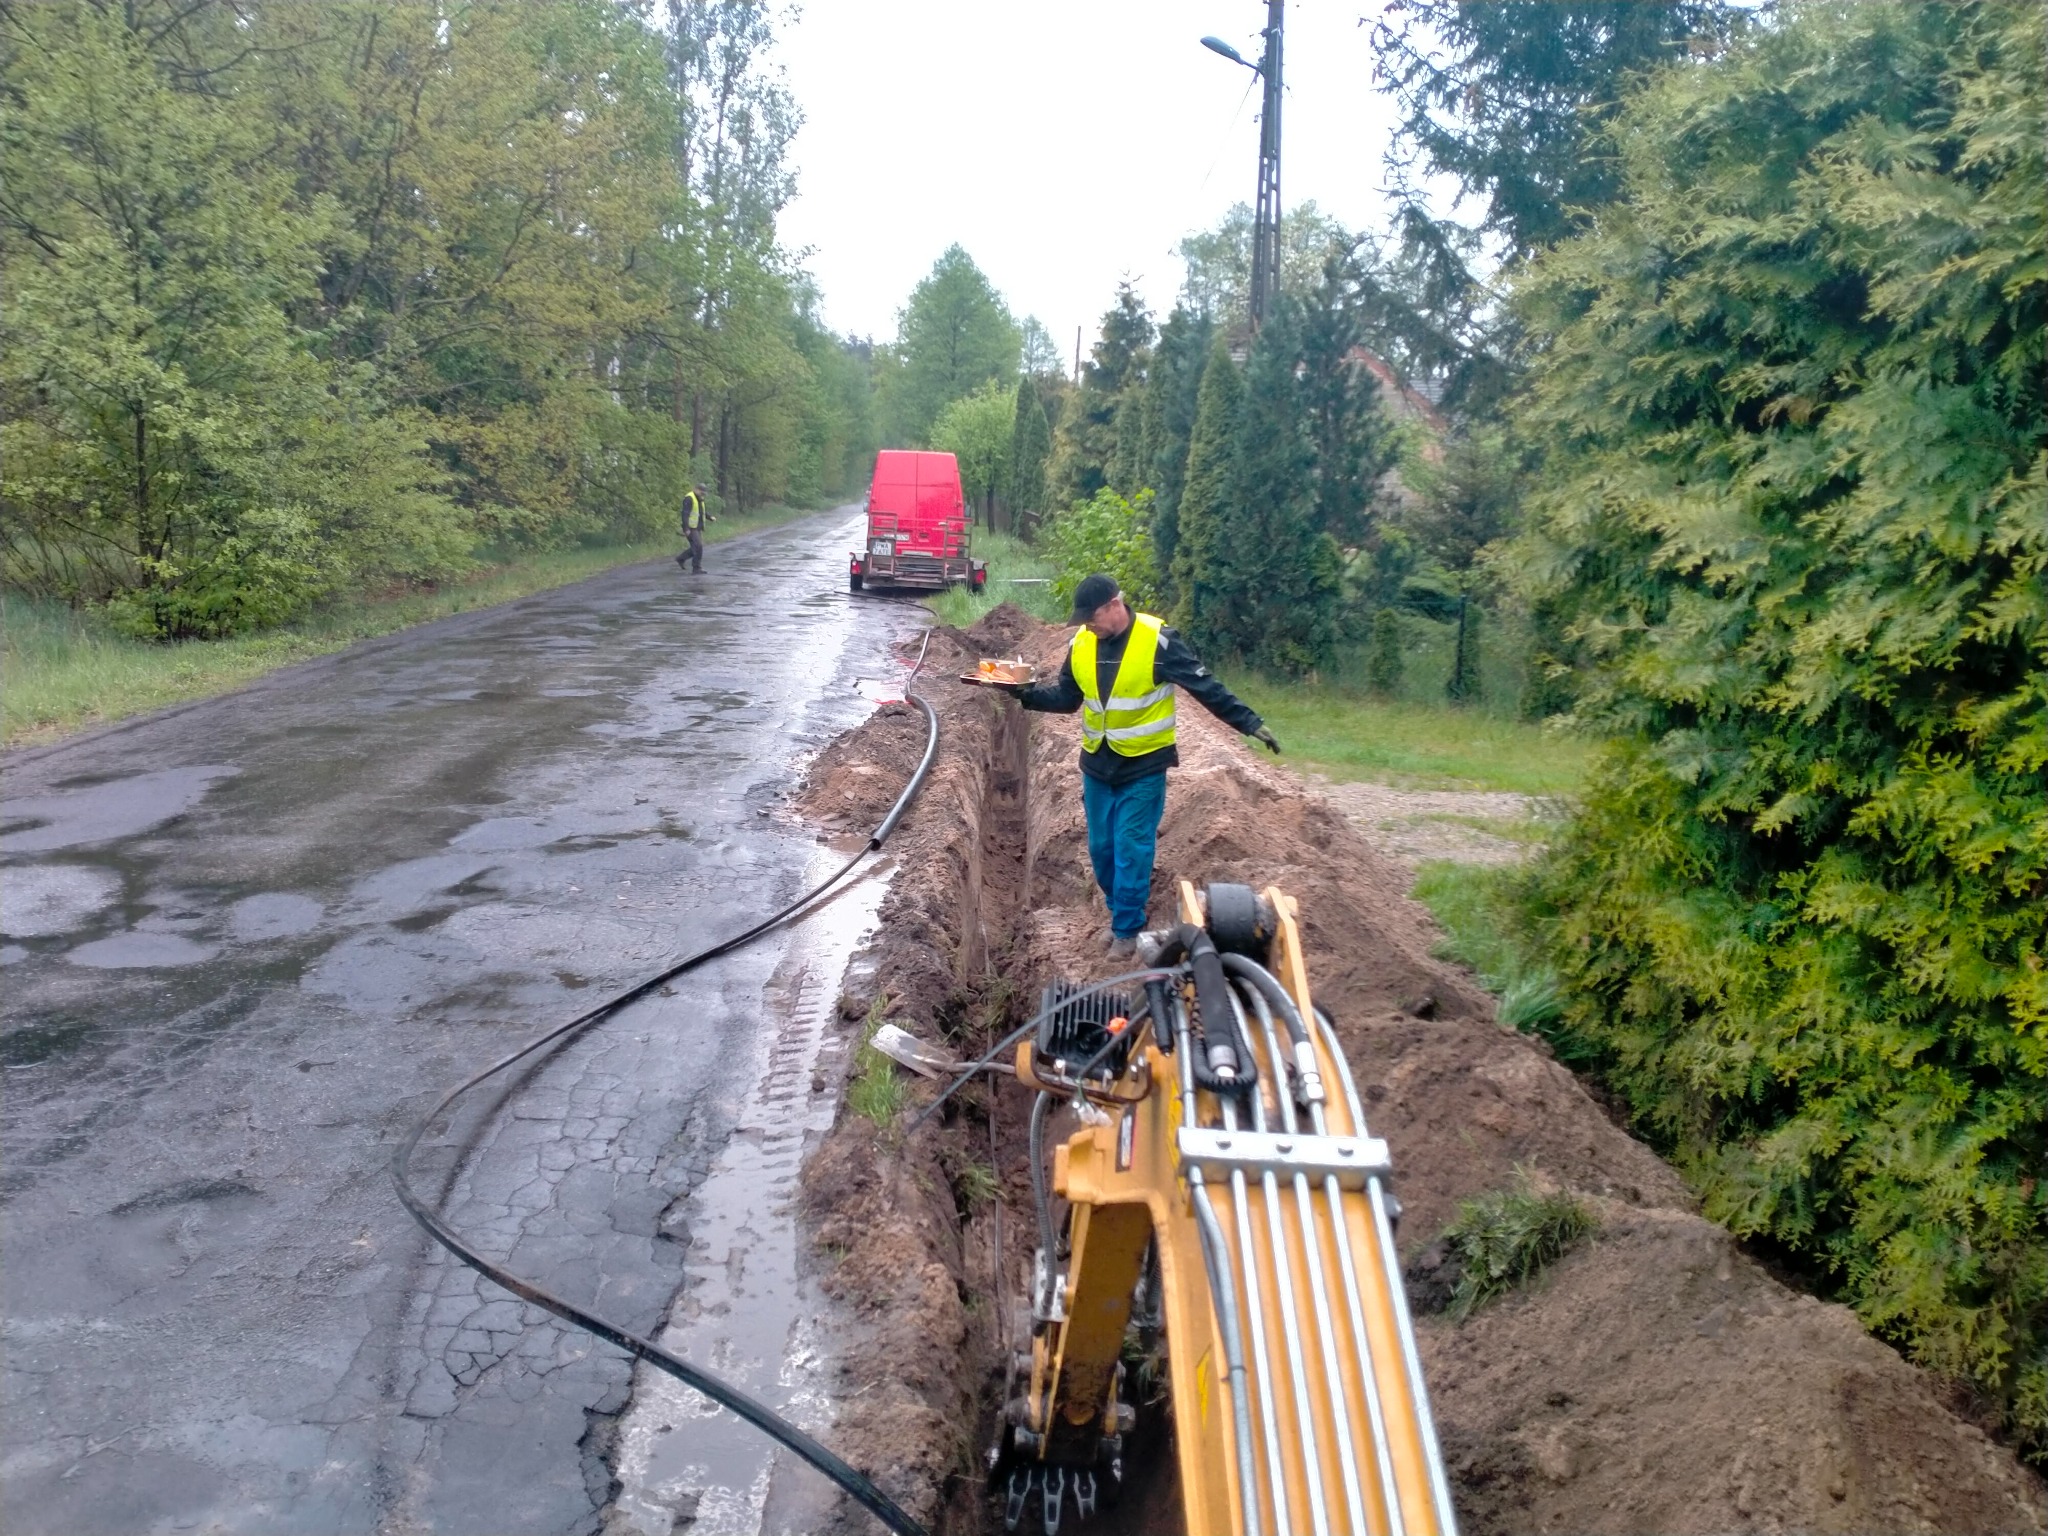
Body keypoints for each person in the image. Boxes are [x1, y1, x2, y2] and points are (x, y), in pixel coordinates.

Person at [998, 574, 1281, 959]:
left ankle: (1128, 928)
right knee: (1101, 849)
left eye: (1092, 617)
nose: (1088, 626)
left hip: (1144, 767)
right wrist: (1025, 694)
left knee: (1131, 846)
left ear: (1115, 605)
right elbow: (1067, 698)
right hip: (1098, 764)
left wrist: (1250, 723)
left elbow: (1206, 688)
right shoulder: (1081, 642)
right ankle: (1121, 912)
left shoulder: (1158, 641)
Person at [676, 483, 714, 573]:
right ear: (696, 489)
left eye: (704, 493)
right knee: (698, 546)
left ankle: (681, 559)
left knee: (696, 547)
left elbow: (701, 512)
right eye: (702, 492)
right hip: (691, 528)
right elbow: (685, 514)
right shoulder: (689, 498)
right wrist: (686, 529)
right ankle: (696, 568)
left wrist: (709, 517)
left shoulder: (700, 499)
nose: (703, 494)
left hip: (697, 527)